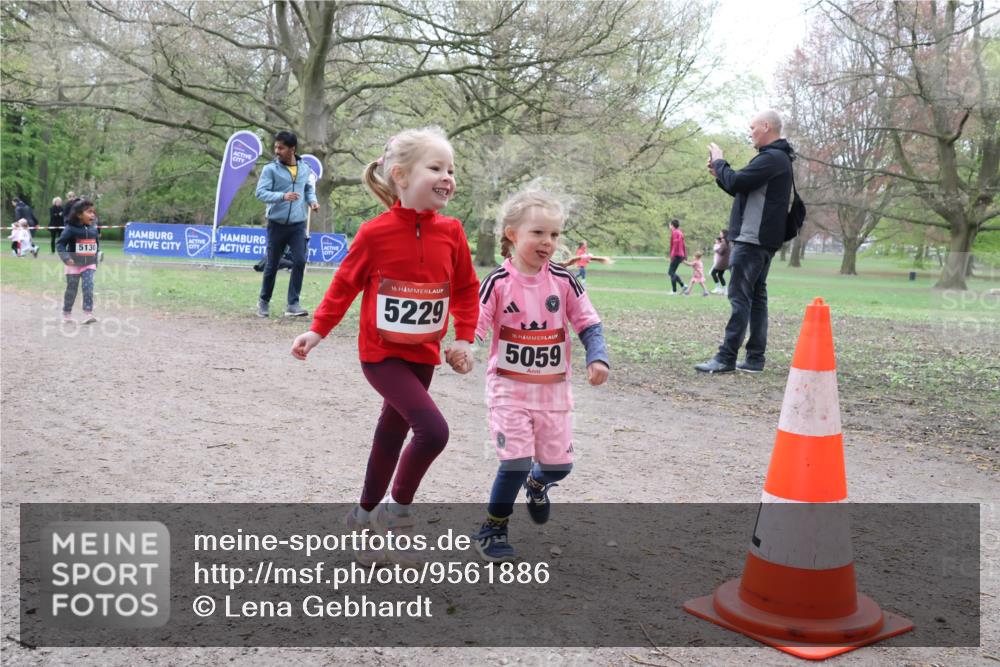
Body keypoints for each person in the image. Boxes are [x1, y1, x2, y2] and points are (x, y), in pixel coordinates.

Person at [290, 126, 479, 566]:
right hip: (381, 355)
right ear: (401, 175)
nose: (447, 177)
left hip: (423, 355)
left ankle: (362, 515)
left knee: (391, 434)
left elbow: (467, 289)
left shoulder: (452, 232)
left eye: (451, 170)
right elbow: (344, 285)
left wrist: (463, 337)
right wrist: (317, 330)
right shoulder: (374, 233)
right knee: (433, 431)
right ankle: (397, 514)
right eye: (436, 168)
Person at [472, 187, 610, 562]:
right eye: (538, 232)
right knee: (514, 462)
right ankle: (493, 527)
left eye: (554, 234)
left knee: (559, 467)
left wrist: (597, 357)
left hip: (553, 394)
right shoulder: (498, 282)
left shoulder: (564, 281)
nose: (548, 241)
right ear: (512, 234)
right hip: (508, 391)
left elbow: (589, 323)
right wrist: (464, 347)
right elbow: (475, 324)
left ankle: (538, 482)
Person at [695, 110, 795, 374]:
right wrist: (719, 173)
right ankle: (754, 359)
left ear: (766, 126)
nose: (750, 132)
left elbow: (738, 180)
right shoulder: (778, 158)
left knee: (739, 297)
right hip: (762, 241)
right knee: (756, 298)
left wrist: (720, 161)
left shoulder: (771, 158)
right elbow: (739, 187)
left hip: (751, 240)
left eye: (752, 127)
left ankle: (726, 357)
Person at [255, 131, 319, 318]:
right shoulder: (270, 169)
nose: (277, 151)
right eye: (276, 147)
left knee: (300, 260)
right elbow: (260, 193)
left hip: (298, 225)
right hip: (277, 224)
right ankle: (263, 301)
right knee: (272, 264)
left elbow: (308, 188)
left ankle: (293, 304)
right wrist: (282, 196)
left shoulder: (304, 168)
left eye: (281, 148)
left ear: (292, 149)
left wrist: (312, 201)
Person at [56, 198, 100, 324]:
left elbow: (96, 245)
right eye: (89, 212)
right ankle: (67, 313)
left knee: (88, 286)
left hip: (89, 263)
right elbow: (60, 244)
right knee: (72, 289)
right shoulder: (70, 229)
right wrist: (66, 258)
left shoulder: (93, 229)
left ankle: (88, 313)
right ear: (79, 215)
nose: (93, 215)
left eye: (93, 212)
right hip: (73, 264)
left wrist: (96, 258)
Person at [666, 218, 686, 295]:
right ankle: (683, 286)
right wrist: (684, 255)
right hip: (680, 255)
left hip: (676, 255)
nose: (669, 226)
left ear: (672, 225)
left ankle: (674, 291)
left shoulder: (675, 233)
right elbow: (683, 245)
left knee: (671, 272)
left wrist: (672, 255)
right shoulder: (680, 232)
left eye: (670, 224)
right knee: (672, 272)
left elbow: (675, 245)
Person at [710, 229, 730, 294]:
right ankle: (725, 290)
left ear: (724, 234)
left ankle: (718, 288)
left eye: (721, 233)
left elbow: (721, 252)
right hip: (726, 262)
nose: (720, 234)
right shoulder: (728, 241)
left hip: (721, 262)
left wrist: (716, 249)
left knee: (713, 273)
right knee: (720, 275)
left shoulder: (724, 242)